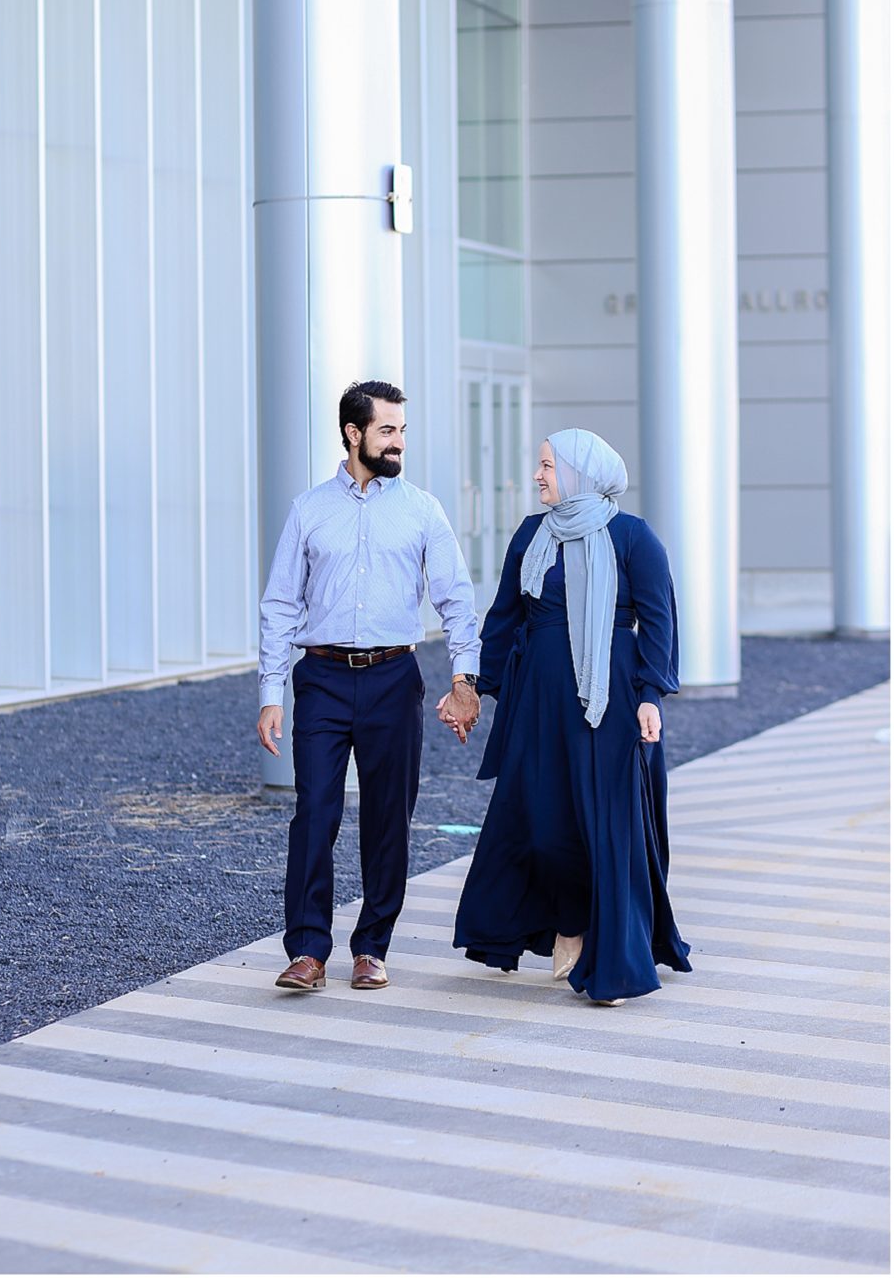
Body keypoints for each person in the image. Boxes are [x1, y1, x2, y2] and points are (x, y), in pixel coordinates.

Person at [451, 428, 691, 1003]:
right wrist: (473, 689)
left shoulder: (634, 538)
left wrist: (651, 696)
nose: (537, 475)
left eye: (547, 466)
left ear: (580, 473)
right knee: (543, 820)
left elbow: (658, 624)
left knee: (607, 824)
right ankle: (570, 921)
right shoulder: (533, 534)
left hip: (608, 703)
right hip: (536, 698)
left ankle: (613, 960)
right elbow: (505, 615)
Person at [258, 380, 481, 992]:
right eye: (387, 430)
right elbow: (279, 606)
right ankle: (307, 950)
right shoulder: (309, 510)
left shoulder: (422, 510)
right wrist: (271, 695)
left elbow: (457, 602)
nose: (398, 442)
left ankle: (371, 947)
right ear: (354, 434)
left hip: (393, 678)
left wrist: (466, 680)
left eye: (402, 431)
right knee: (315, 814)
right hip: (323, 679)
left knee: (388, 818)